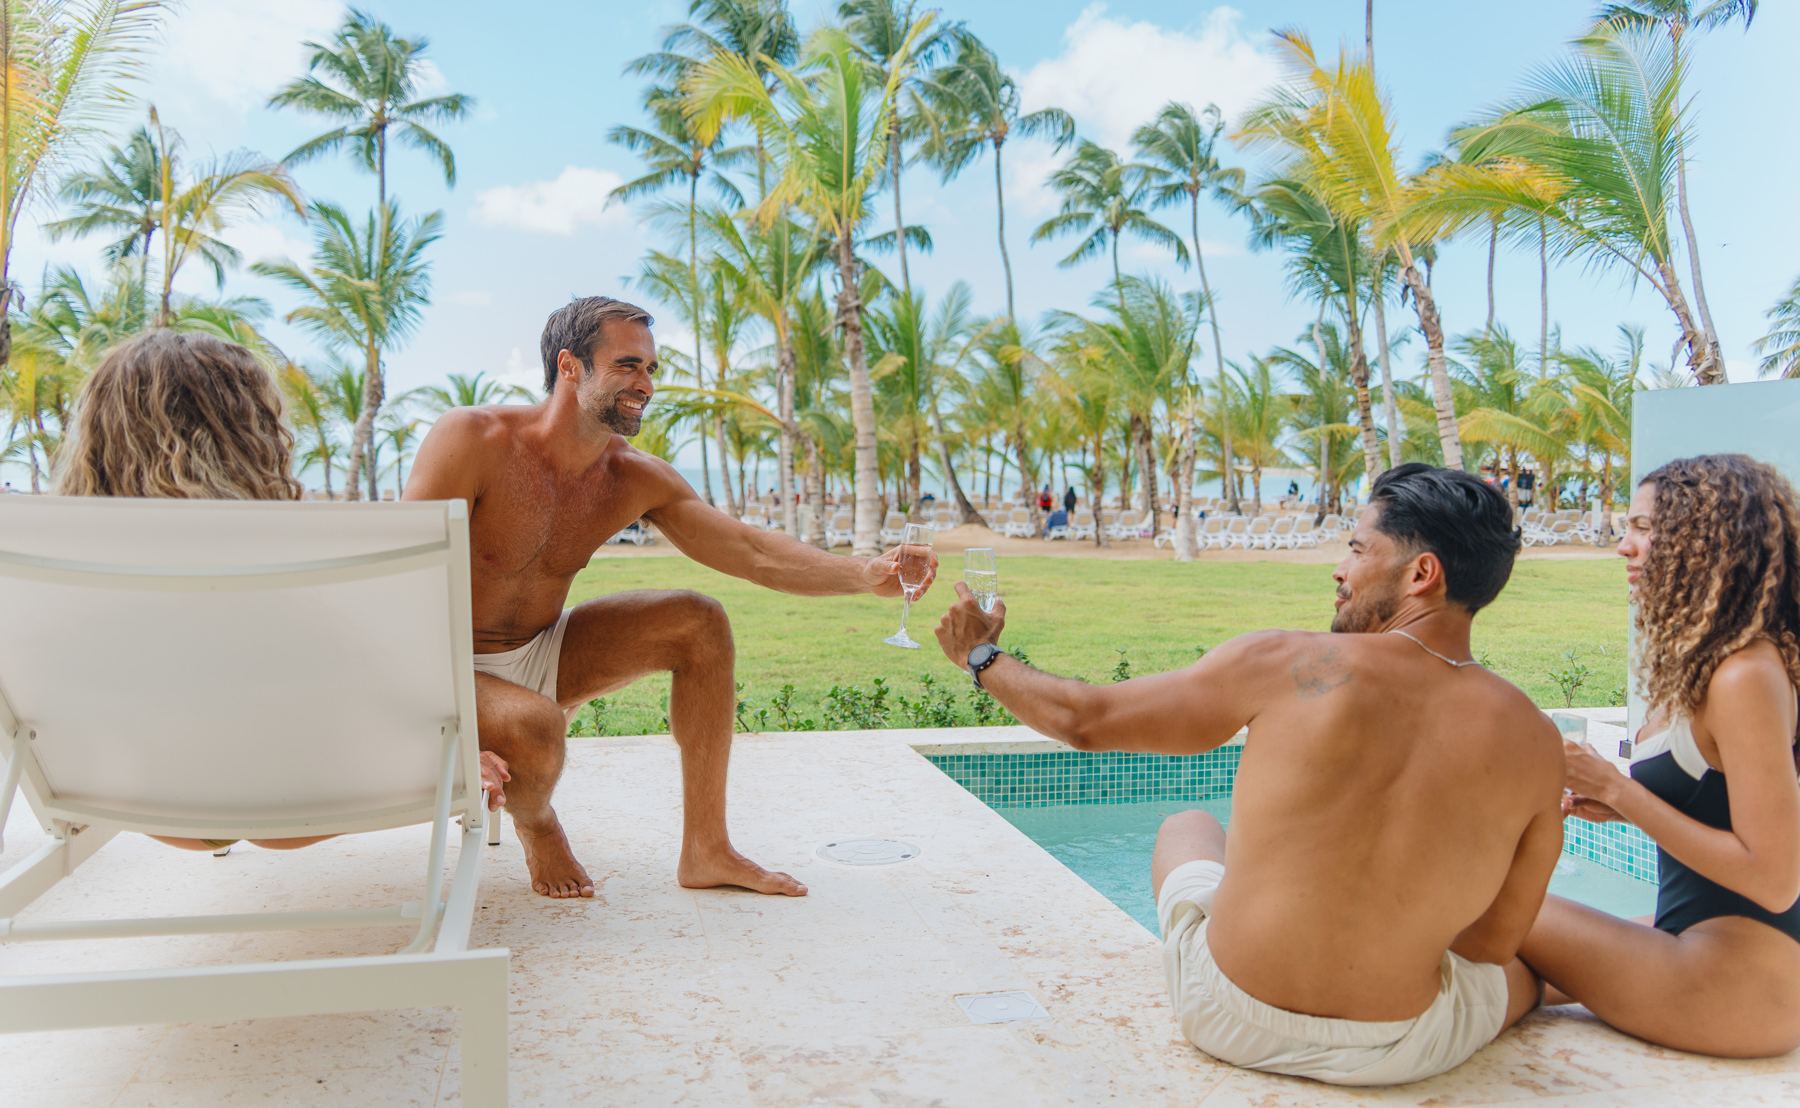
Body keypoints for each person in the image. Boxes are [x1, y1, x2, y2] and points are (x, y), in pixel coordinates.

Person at [934, 463, 1561, 1086]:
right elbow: (1486, 948)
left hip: (1226, 1013)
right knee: (1519, 978)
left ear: (1421, 574)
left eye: (1356, 549)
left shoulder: (1290, 663)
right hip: (1397, 1047)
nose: (1339, 570)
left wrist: (979, 655)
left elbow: (1085, 720)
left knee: (1187, 826)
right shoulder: (1535, 738)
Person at [405, 297, 935, 899]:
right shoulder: (473, 439)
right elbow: (396, 588)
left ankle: (707, 849)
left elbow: (753, 551)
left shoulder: (633, 476)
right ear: (569, 366)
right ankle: (539, 823)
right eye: (627, 365)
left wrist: (864, 574)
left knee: (698, 622)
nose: (646, 384)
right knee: (536, 727)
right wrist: (448, 725)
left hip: (540, 648)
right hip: (451, 664)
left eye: (651, 369)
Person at [1519, 454, 1800, 1057]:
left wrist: (1619, 789)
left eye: (1644, 528)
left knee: (1492, 906)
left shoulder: (1744, 675)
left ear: (1708, 542)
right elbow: (1720, 810)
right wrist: (1622, 808)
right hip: (1694, 945)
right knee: (1499, 965)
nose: (1624, 546)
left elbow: (1776, 881)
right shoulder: (1707, 664)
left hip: (1740, 985)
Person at [55, 330, 332, 855]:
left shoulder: (59, 567)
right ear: (254, 435)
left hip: (138, 796)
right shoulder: (294, 567)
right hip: (297, 805)